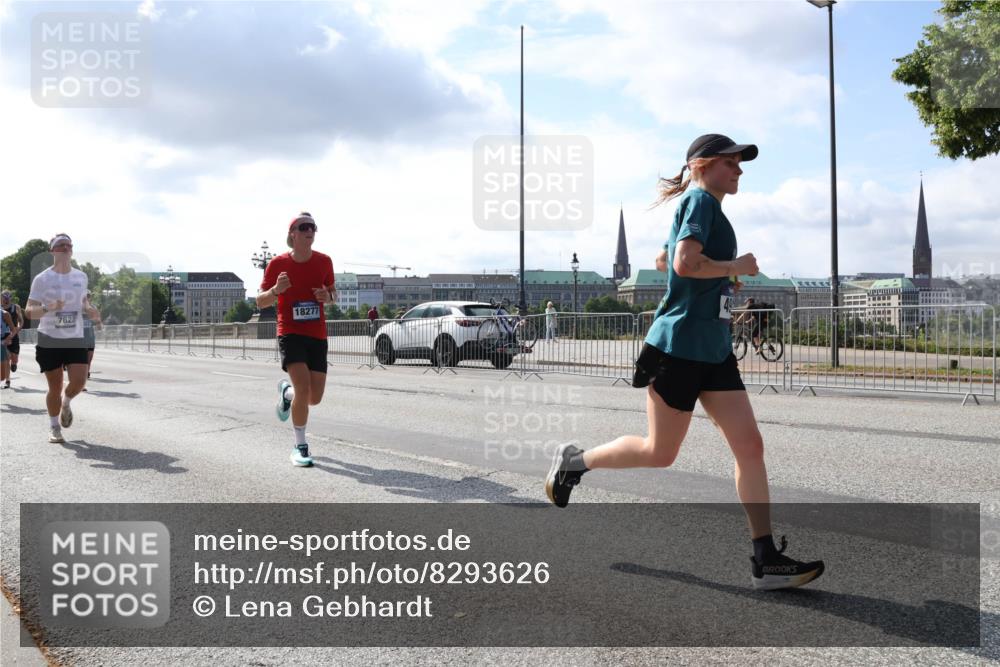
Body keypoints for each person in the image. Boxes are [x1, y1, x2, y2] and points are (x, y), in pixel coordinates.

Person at [545, 134, 824, 591]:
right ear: (702, 165)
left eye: (739, 163)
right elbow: (682, 264)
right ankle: (576, 462)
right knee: (660, 452)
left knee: (750, 447)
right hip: (678, 348)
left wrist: (718, 277)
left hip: (714, 350)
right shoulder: (699, 201)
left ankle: (765, 558)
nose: (739, 170)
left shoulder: (707, 208)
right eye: (731, 162)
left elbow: (663, 257)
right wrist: (734, 266)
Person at [257, 212, 336, 467]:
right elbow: (260, 301)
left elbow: (333, 294)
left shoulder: (324, 261)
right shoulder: (277, 264)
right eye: (304, 227)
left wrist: (327, 297)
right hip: (290, 332)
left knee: (313, 398)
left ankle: (286, 394)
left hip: (317, 334)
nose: (309, 230)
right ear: (293, 233)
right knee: (304, 389)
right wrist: (276, 290)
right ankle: (300, 446)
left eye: (312, 226)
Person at [25, 234, 98, 443]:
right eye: (61, 245)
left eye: (69, 245)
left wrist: (89, 309)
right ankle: (54, 427)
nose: (66, 248)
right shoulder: (42, 279)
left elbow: (83, 302)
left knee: (79, 382)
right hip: (49, 339)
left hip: (74, 337)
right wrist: (48, 307)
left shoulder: (81, 276)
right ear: (52, 251)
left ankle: (66, 403)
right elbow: (29, 311)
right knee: (54, 387)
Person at [2, 290, 24, 383]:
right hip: (3, 335)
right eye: (4, 298)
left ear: (11, 298)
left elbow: (21, 321)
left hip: (14, 334)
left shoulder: (16, 307)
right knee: (6, 357)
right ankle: (8, 380)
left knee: (14, 358)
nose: (6, 300)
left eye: (8, 298)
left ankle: (14, 363)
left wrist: (18, 329)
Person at [1, 308, 13, 389]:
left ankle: (7, 380)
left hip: (4, 336)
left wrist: (9, 338)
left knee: (6, 359)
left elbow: (13, 329)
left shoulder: (4, 313)